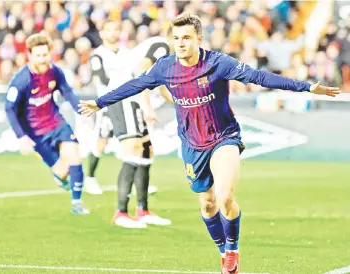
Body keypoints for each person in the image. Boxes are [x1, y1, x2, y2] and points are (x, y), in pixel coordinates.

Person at [79, 14, 340, 273]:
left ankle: (232, 251)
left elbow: (259, 77)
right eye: (176, 38)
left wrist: (306, 87)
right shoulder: (165, 67)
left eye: (186, 38)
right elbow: (135, 85)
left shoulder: (218, 63)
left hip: (224, 138)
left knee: (225, 197)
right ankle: (222, 250)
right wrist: (99, 102)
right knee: (207, 203)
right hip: (192, 145)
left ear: (198, 40)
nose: (180, 43)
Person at [86, 20, 172, 228]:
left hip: (132, 97)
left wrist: (182, 103)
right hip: (123, 96)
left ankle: (143, 210)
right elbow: (140, 76)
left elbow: (159, 84)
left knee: (146, 150)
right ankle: (121, 212)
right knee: (133, 149)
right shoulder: (162, 46)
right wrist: (147, 107)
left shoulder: (169, 53)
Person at [5, 32, 89, 215]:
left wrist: (81, 111)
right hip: (35, 132)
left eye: (45, 54)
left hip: (56, 123)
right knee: (62, 171)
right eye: (38, 55)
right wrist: (21, 137)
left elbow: (67, 92)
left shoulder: (55, 72)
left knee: (74, 156)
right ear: (30, 55)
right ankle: (60, 176)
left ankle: (77, 203)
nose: (43, 59)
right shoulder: (21, 80)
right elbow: (9, 109)